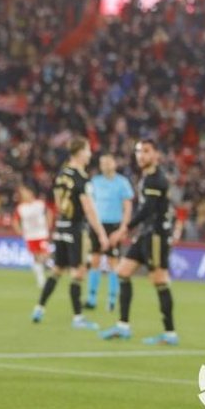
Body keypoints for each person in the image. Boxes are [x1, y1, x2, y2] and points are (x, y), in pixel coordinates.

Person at [100, 139, 179, 345]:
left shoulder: (156, 179)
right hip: (146, 234)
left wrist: (124, 229)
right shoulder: (147, 178)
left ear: (156, 155)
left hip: (155, 236)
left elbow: (147, 210)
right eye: (138, 151)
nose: (141, 155)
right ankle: (123, 326)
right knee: (122, 273)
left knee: (159, 280)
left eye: (146, 151)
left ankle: (170, 333)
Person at [31, 138, 109, 330]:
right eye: (88, 150)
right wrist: (101, 233)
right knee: (78, 272)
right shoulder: (81, 178)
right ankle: (78, 317)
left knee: (57, 270)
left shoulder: (62, 174)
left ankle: (39, 308)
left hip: (61, 226)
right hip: (75, 228)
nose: (90, 154)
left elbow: (57, 202)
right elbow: (89, 209)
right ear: (80, 152)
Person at [85, 153, 134, 311]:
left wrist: (123, 227)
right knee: (95, 260)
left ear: (114, 163)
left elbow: (127, 207)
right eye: (102, 162)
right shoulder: (95, 182)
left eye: (107, 162)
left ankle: (112, 300)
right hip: (97, 225)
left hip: (114, 226)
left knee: (114, 262)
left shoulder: (122, 182)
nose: (105, 165)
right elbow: (89, 205)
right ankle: (91, 298)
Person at [12, 183, 52, 289]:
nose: (23, 195)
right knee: (36, 257)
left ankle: (50, 268)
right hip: (30, 235)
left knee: (44, 255)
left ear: (31, 193)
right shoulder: (21, 208)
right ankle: (41, 279)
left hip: (41, 234)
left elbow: (49, 212)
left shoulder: (39, 204)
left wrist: (49, 224)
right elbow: (15, 221)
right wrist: (19, 231)